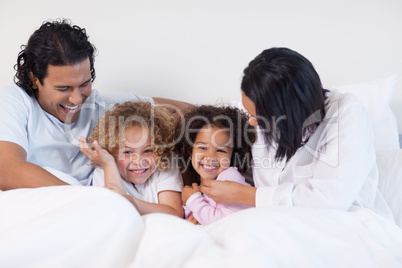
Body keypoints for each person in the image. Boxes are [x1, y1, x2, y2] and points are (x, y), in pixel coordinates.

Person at [200, 47, 394, 221]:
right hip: (273, 222)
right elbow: (201, 119)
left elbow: (328, 199)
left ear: (289, 112)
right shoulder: (263, 113)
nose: (252, 122)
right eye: (250, 114)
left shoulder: (347, 112)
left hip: (343, 224)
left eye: (259, 116)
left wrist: (245, 195)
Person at [0, 18, 191, 190]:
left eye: (84, 84)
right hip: (72, 204)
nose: (76, 99)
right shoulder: (15, 101)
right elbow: (6, 169)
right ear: (34, 79)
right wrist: (88, 201)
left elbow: (185, 111)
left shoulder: (101, 105)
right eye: (63, 88)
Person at [79, 101, 184, 217]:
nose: (138, 161)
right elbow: (115, 210)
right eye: (127, 152)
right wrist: (109, 164)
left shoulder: (164, 165)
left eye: (148, 151)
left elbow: (175, 213)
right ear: (110, 152)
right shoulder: (104, 171)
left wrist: (132, 203)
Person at [176, 105, 255, 225]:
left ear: (233, 155)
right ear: (189, 150)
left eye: (221, 151)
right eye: (202, 147)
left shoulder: (229, 178)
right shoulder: (197, 188)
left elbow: (227, 222)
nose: (210, 157)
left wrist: (193, 200)